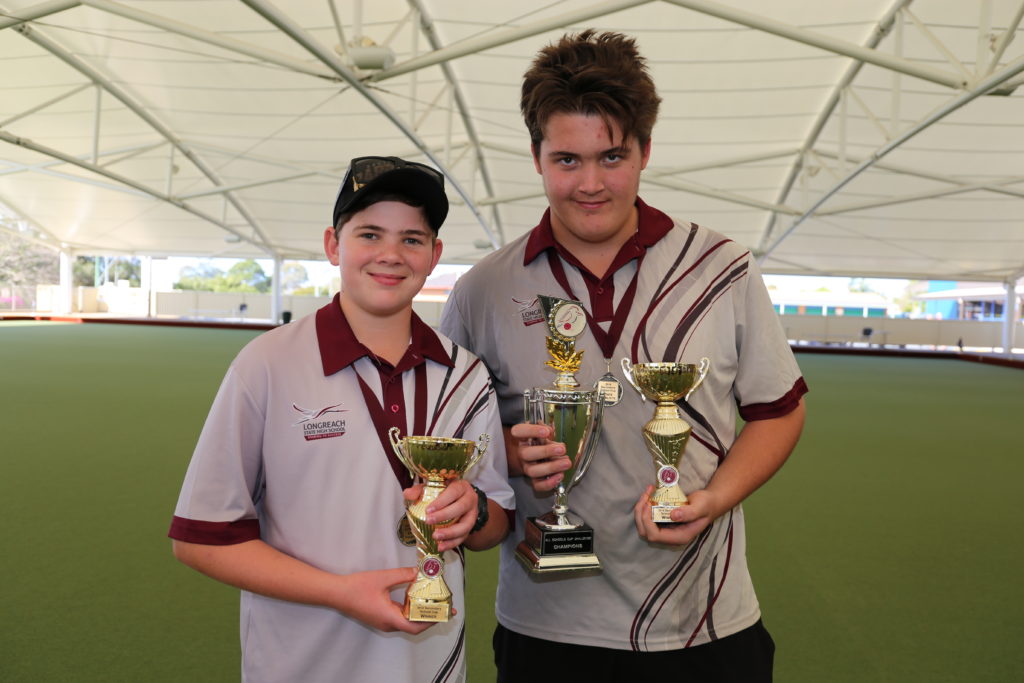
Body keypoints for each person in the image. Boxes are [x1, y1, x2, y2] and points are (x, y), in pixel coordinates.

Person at [439, 31, 807, 682]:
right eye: (567, 160)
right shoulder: (482, 291)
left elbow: (779, 411)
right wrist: (503, 453)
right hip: (544, 629)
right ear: (536, 157)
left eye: (612, 156)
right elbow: (452, 451)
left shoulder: (722, 269)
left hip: (705, 624)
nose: (590, 183)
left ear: (644, 151)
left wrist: (712, 498)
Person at [168, 156, 514, 682]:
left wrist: (475, 510)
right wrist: (339, 592)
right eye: (370, 234)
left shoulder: (465, 375)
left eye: (413, 239)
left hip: (432, 664)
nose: (391, 255)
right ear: (334, 245)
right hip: (302, 664)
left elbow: (495, 525)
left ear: (435, 253)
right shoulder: (266, 364)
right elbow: (200, 537)